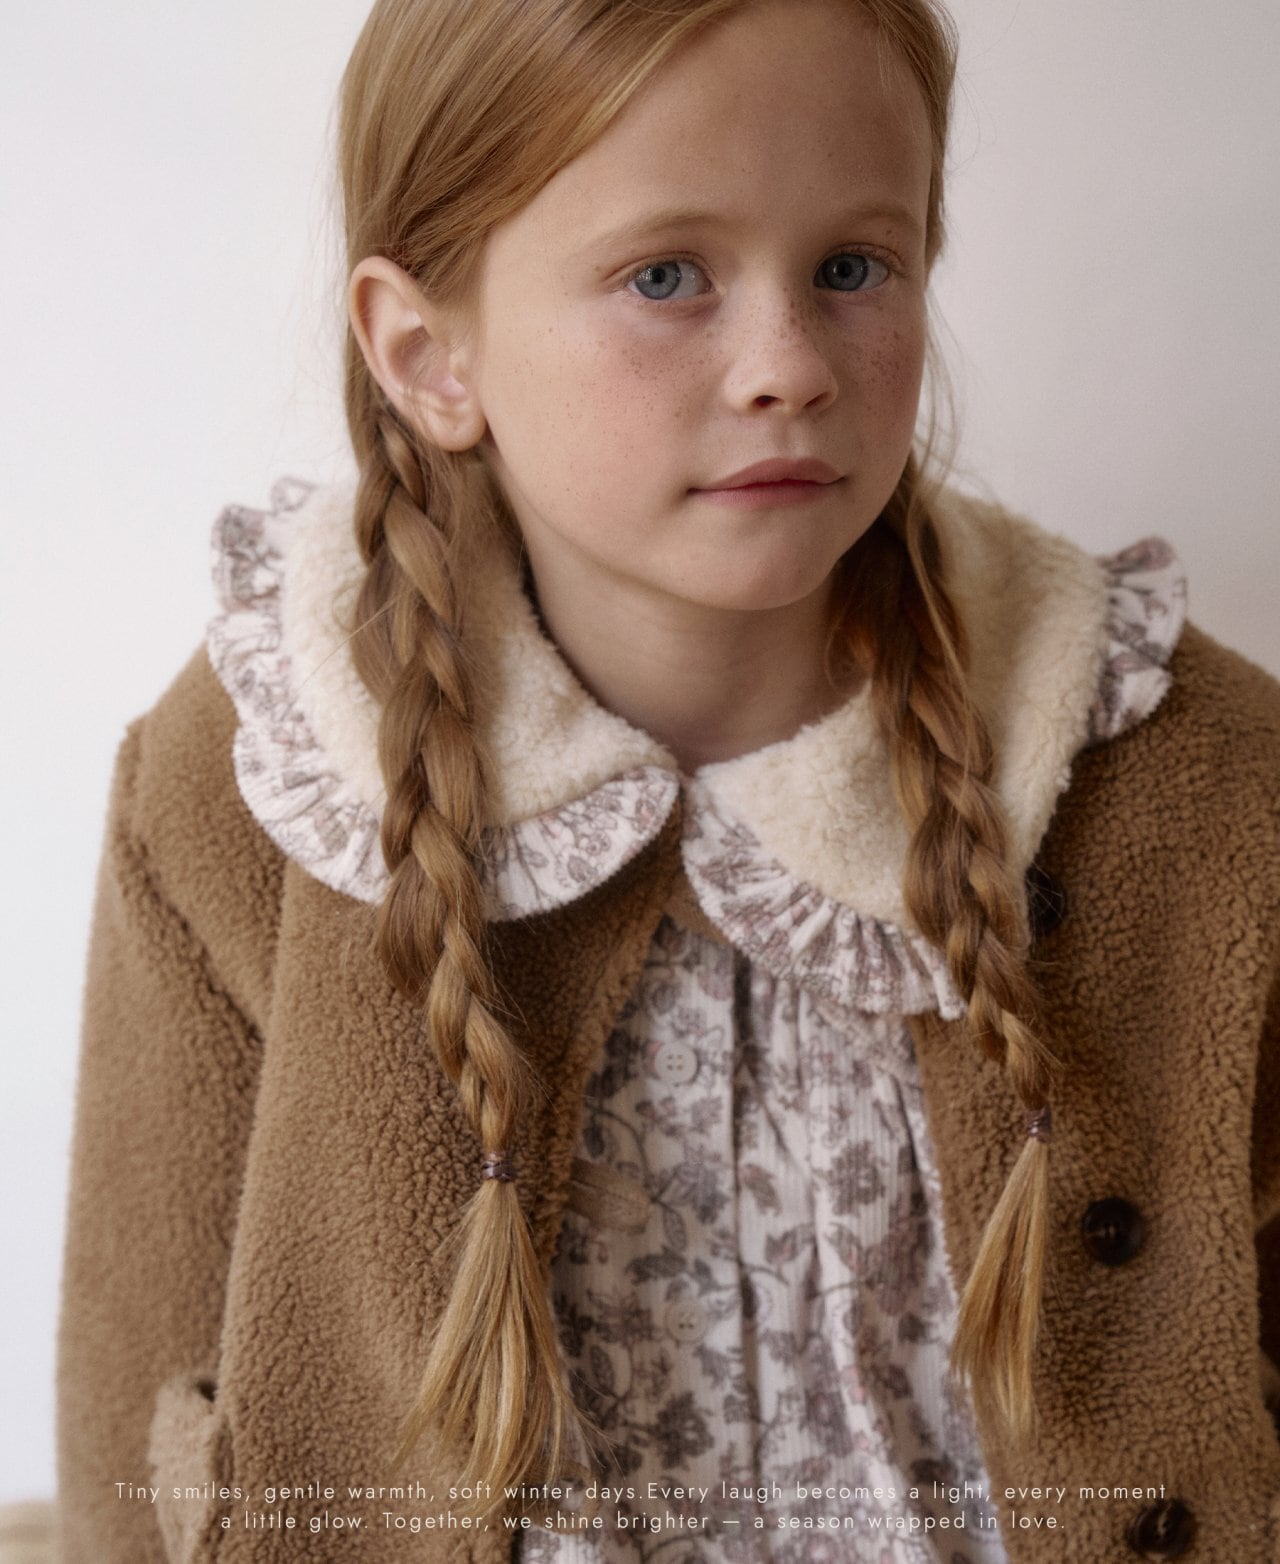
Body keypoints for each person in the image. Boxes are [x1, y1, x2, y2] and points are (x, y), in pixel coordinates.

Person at [55, 0, 1280, 1560]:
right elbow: (132, 1434)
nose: (790, 367)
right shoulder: (263, 777)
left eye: (855, 267)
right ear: (428, 353)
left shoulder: (1191, 773)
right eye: (665, 277)